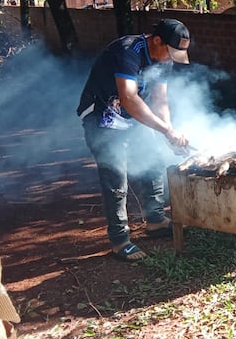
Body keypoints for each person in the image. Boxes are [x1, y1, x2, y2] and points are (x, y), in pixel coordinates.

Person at [77, 19, 191, 262]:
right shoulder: (127, 51)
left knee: (154, 161)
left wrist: (168, 130)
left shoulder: (164, 59)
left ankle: (156, 220)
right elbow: (129, 98)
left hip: (130, 119)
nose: (171, 58)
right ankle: (120, 241)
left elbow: (160, 100)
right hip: (102, 117)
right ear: (156, 40)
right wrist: (167, 131)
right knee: (116, 177)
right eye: (170, 52)